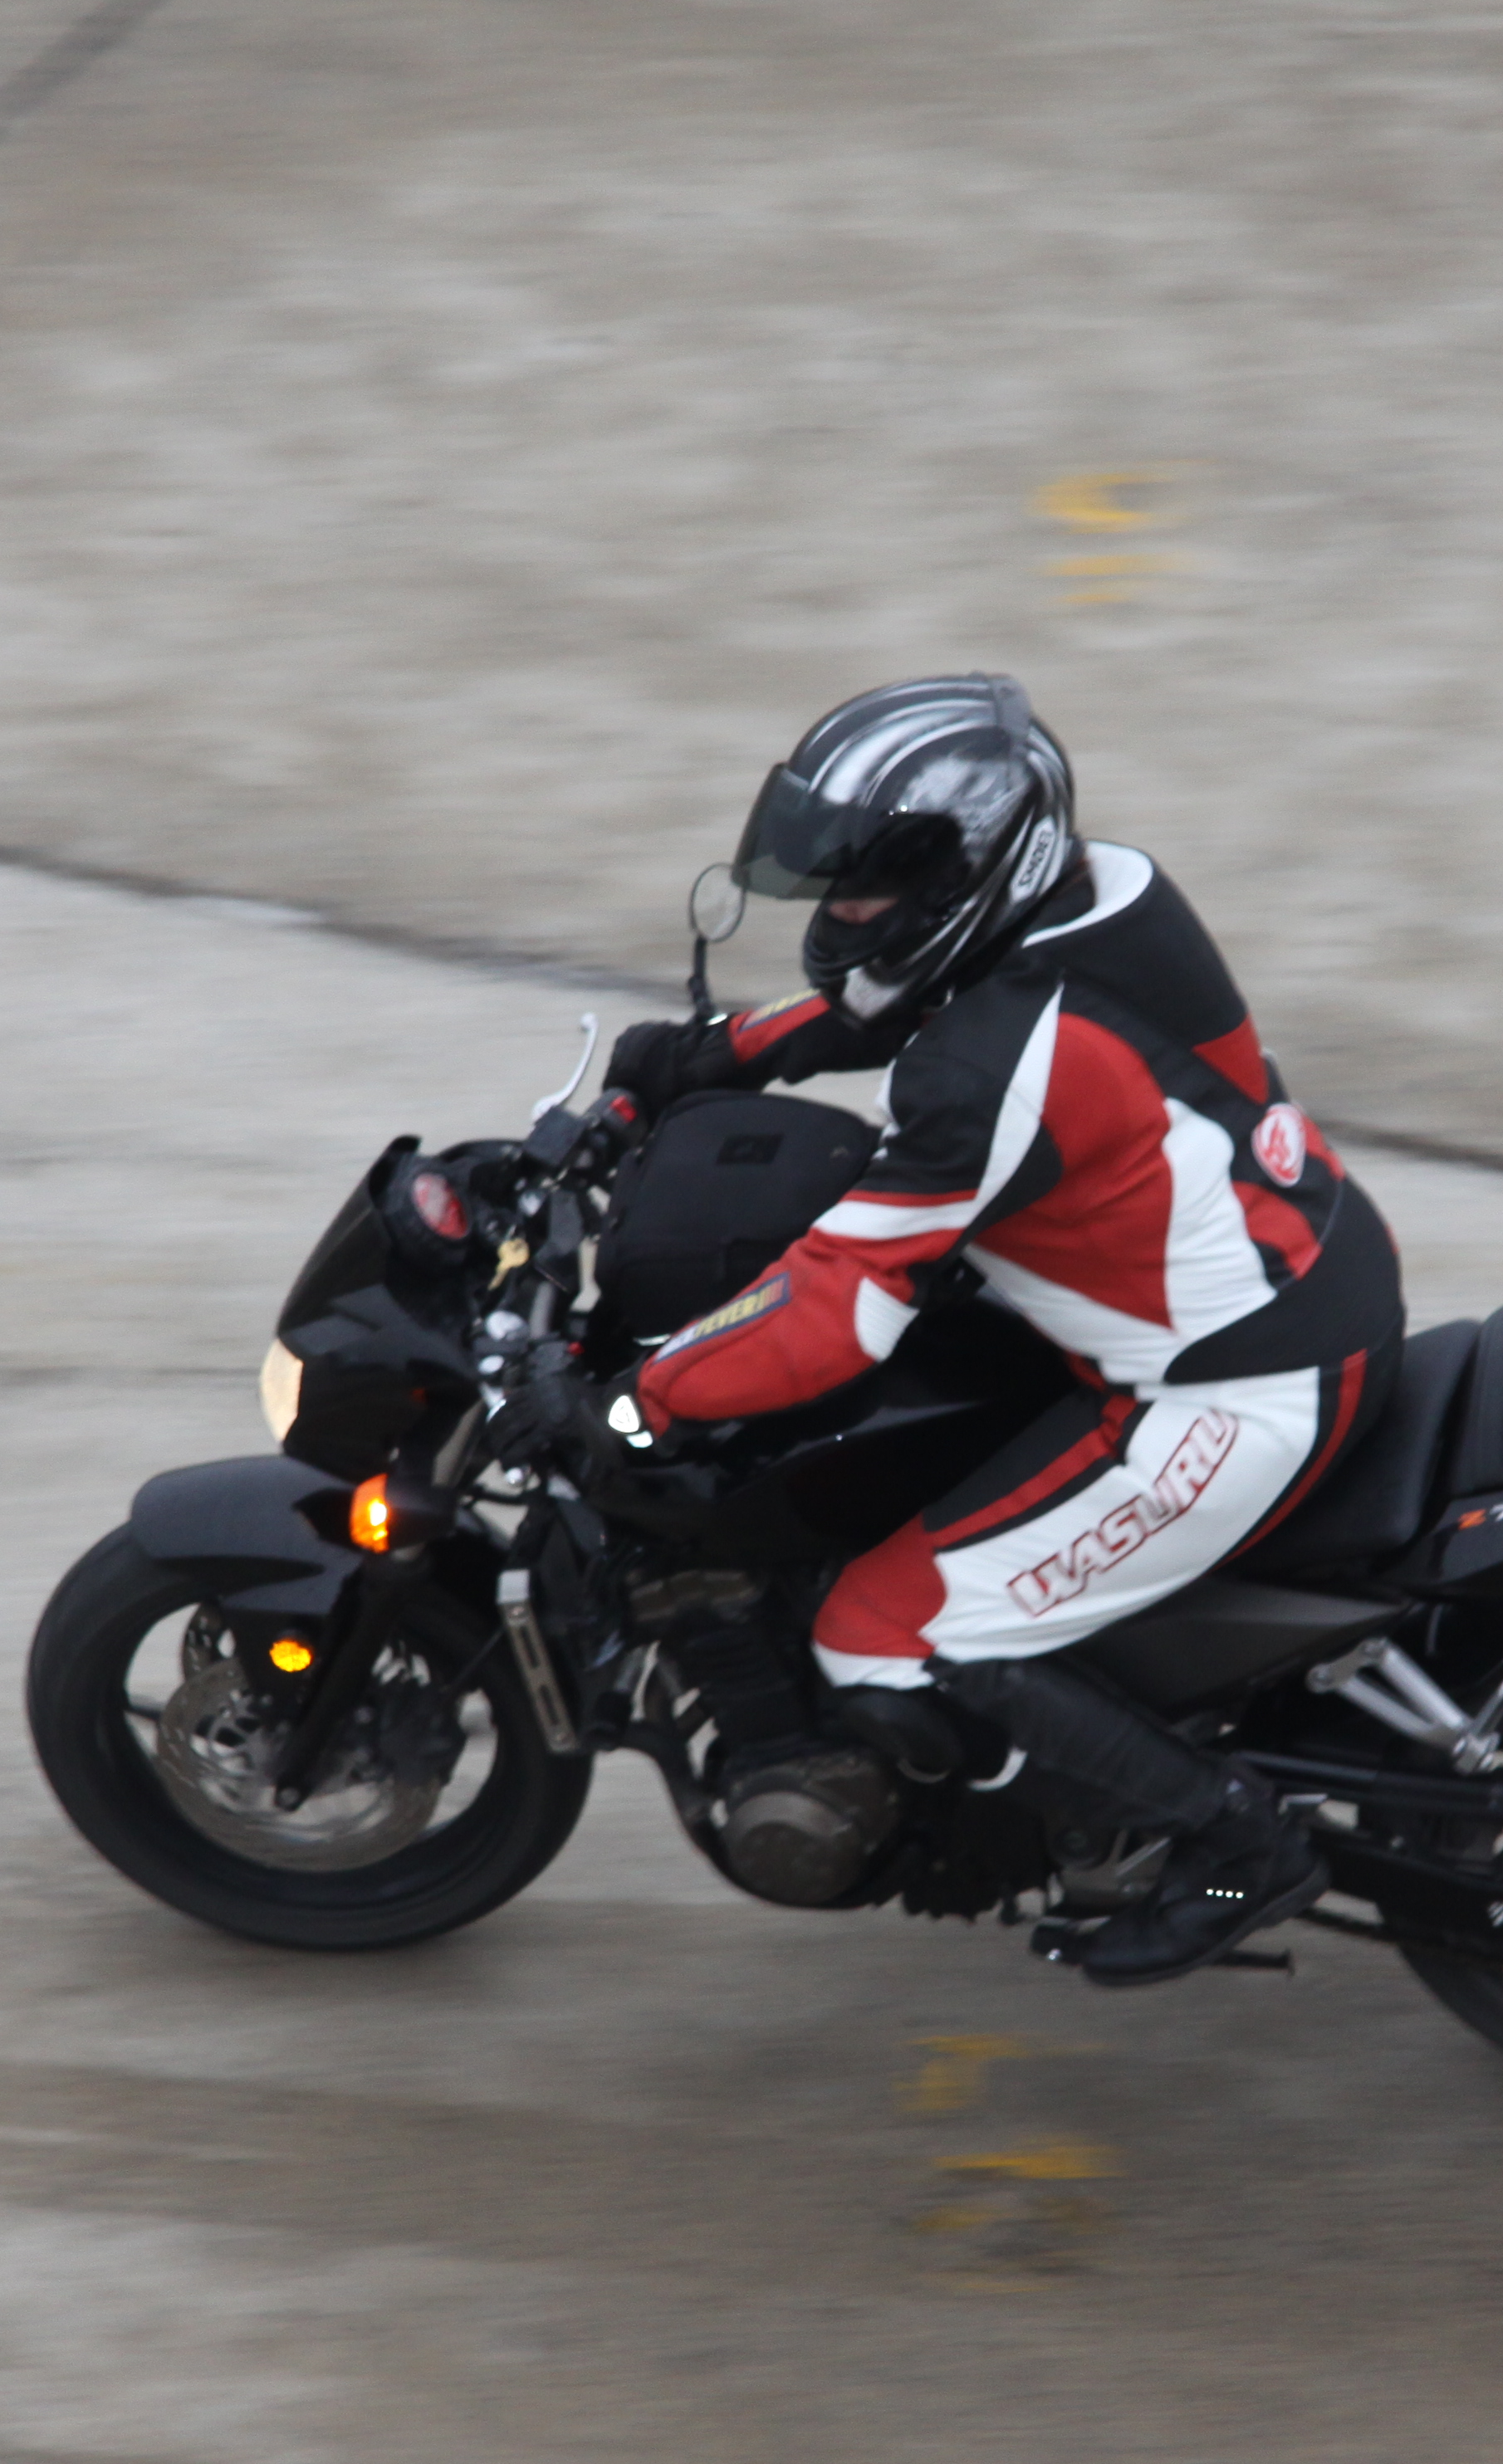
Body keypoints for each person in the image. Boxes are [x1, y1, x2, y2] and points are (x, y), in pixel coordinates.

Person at [595, 675, 1405, 1984]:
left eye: (865, 892)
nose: (839, 918)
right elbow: (899, 996)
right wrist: (725, 1053)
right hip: (1302, 1259)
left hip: (1233, 1391)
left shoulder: (991, 1076)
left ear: (961, 879)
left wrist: (638, 1400)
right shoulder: (1110, 896)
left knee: (883, 1633)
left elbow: (831, 1313)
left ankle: (1237, 1853)